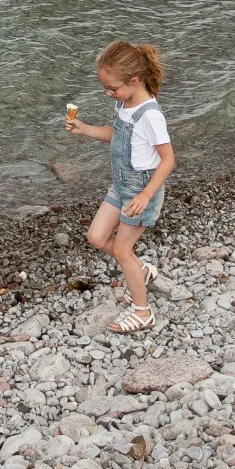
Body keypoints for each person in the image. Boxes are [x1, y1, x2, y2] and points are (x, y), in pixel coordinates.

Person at [64, 40, 176, 333]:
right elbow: (118, 135)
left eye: (112, 88)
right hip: (121, 186)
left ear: (134, 80)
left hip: (141, 190)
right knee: (97, 237)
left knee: (123, 250)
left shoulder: (150, 115)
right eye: (105, 87)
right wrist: (85, 129)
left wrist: (146, 195)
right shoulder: (124, 103)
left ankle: (142, 311)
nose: (108, 93)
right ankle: (141, 271)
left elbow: (168, 160)